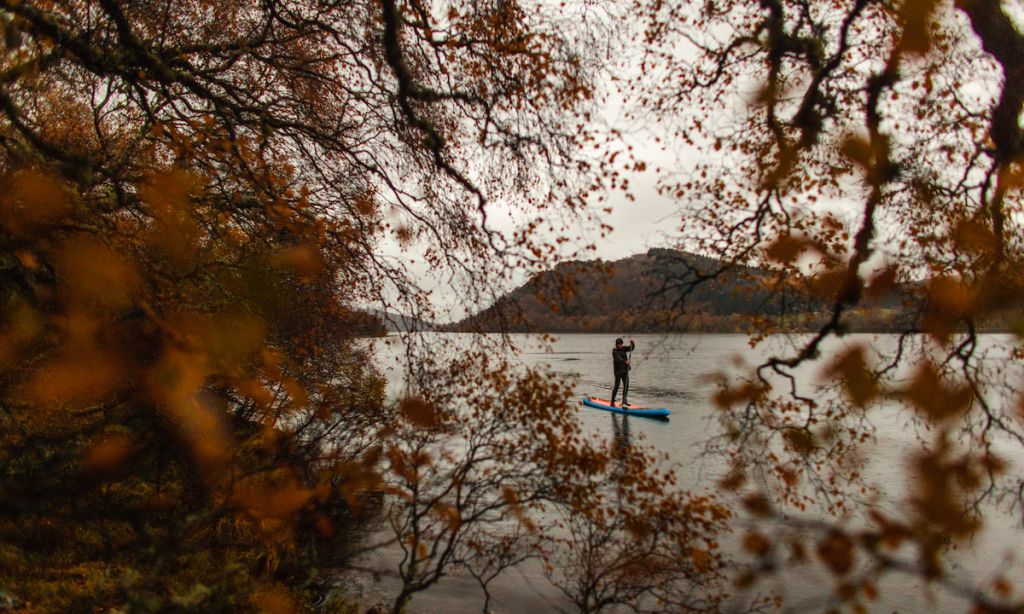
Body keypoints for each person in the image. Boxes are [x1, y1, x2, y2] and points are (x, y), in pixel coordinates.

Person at [609, 337, 634, 408]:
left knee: (626, 386)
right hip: (618, 371)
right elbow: (617, 359)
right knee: (617, 386)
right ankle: (612, 402)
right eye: (619, 344)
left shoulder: (623, 348)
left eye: (621, 344)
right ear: (616, 345)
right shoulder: (614, 351)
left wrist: (632, 344)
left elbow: (631, 348)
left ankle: (624, 401)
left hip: (625, 371)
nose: (621, 345)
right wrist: (625, 361)